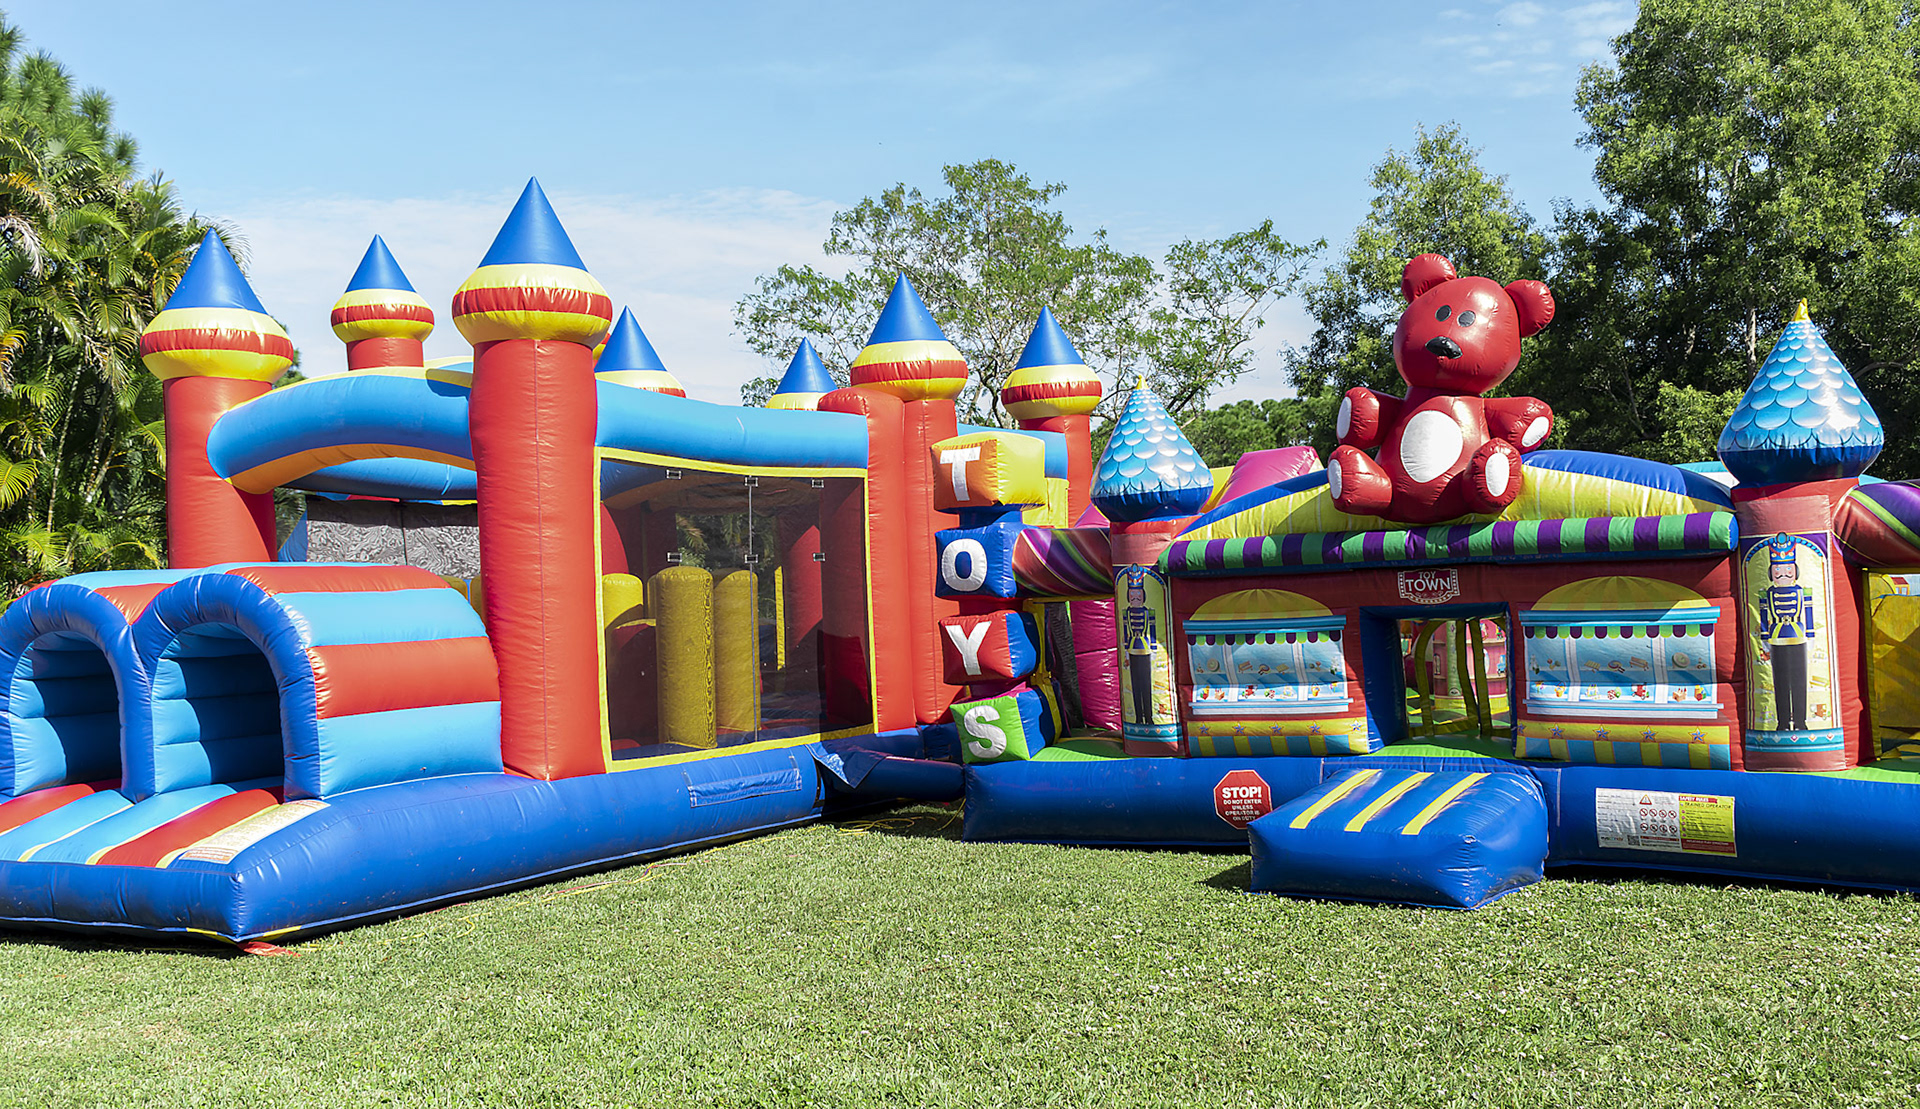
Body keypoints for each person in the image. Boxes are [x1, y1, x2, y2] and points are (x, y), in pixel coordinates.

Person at [1760, 532, 1817, 731]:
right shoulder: (1768, 593)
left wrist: (1810, 635)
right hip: (1777, 637)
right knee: (1781, 681)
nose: (1782, 573)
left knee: (1799, 680)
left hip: (1797, 635)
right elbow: (1763, 615)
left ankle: (1800, 722)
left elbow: (1808, 613)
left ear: (1795, 570)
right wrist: (1765, 637)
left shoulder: (1802, 591)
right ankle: (1783, 722)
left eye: (1787, 569)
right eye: (1777, 568)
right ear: (1771, 572)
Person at [1122, 568, 1158, 724]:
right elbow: (1125, 633)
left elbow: (1153, 630)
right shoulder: (1126, 613)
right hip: (1132, 648)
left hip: (1145, 648)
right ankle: (1138, 717)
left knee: (1146, 684)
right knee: (1135, 684)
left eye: (1138, 593)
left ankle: (1149, 717)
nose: (1135, 597)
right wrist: (1126, 653)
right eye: (1132, 594)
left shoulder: (1149, 612)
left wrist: (1154, 649)